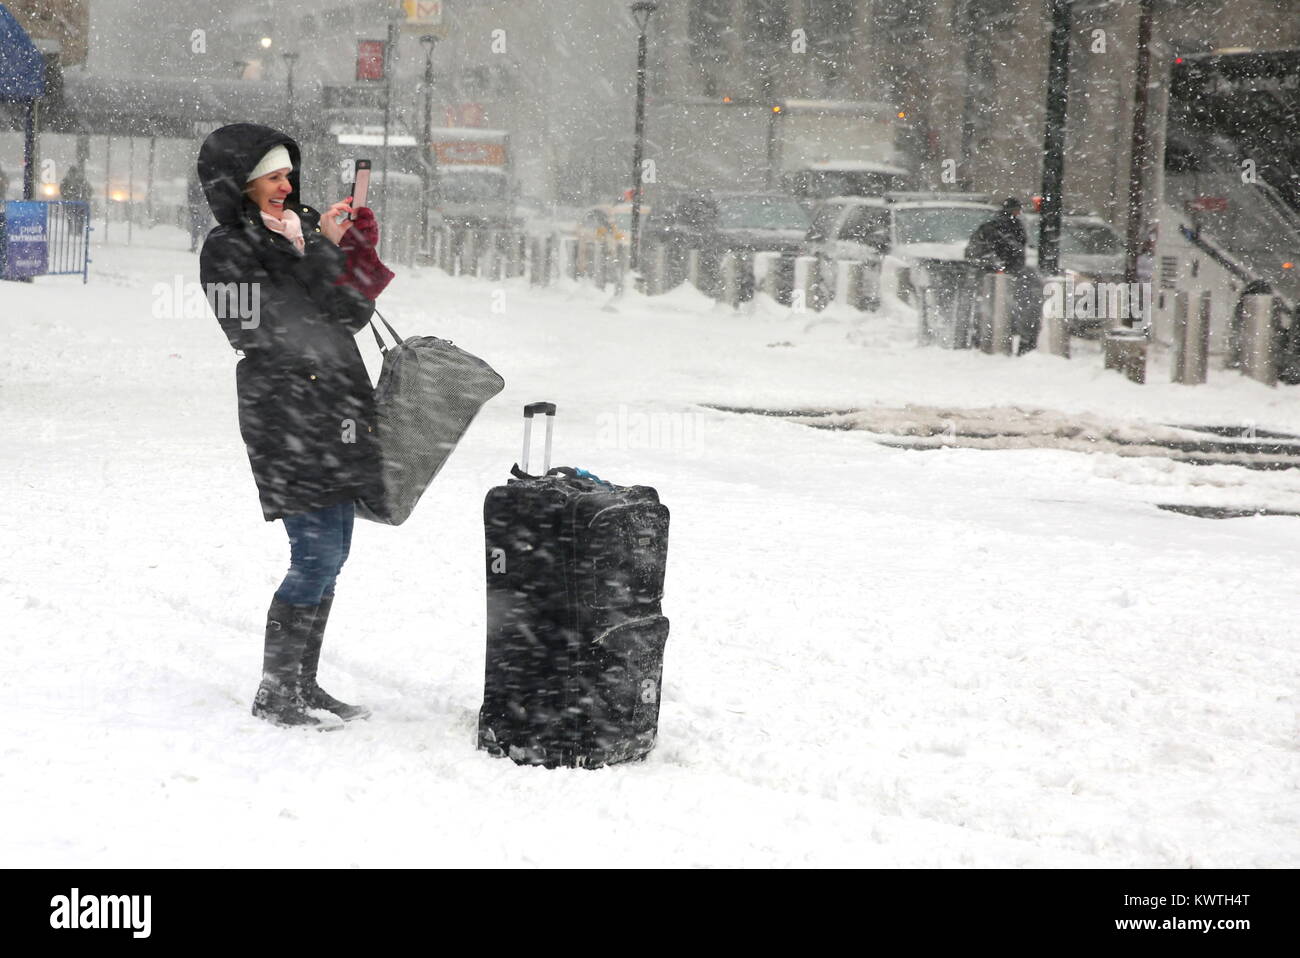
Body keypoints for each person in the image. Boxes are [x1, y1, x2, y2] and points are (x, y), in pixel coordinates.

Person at [197, 123, 394, 729]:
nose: (288, 186)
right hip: (282, 407)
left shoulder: (306, 229)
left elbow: (347, 315)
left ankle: (303, 683)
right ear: (241, 185)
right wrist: (317, 254)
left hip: (336, 401)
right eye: (273, 177)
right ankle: (277, 691)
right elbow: (257, 328)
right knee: (312, 554)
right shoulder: (225, 248)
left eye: (289, 175)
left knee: (333, 552)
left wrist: (345, 246)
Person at [966, 196, 1040, 354]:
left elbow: (975, 250)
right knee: (1015, 311)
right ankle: (1013, 346)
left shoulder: (992, 225)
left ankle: (985, 342)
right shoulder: (1010, 226)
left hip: (996, 275)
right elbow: (1017, 249)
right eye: (1017, 210)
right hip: (1008, 274)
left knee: (991, 311)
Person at [186, 172, 209, 252]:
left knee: (196, 229)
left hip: (197, 209)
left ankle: (195, 246)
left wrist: (193, 206)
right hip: (203, 209)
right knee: (204, 229)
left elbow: (190, 196)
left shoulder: (193, 184)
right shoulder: (207, 184)